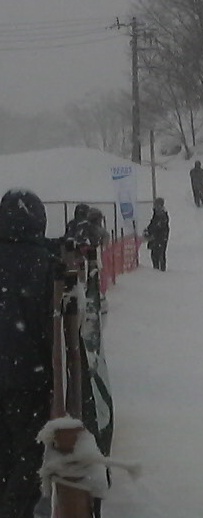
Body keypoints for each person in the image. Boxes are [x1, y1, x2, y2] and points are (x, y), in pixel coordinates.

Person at [0, 189, 56, 518]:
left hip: (16, 371)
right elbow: (48, 324)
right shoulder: (43, 263)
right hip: (26, 376)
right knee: (26, 454)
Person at [143, 197, 170, 271]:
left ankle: (161, 270)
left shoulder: (163, 215)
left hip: (161, 237)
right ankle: (156, 269)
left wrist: (151, 231)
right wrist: (148, 230)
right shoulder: (156, 214)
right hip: (156, 237)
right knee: (154, 254)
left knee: (160, 253)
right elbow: (152, 224)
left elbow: (159, 225)